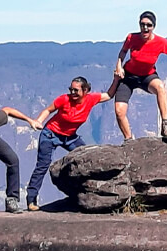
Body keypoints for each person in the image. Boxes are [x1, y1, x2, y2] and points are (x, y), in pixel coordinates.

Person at [26, 76, 119, 211]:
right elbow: (48, 110)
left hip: (70, 137)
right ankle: (31, 199)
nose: (72, 93)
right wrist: (38, 121)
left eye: (76, 90)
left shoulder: (91, 99)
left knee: (87, 158)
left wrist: (116, 79)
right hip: (50, 134)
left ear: (85, 90)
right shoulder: (64, 99)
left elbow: (109, 95)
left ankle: (92, 193)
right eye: (71, 90)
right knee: (43, 165)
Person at [114, 11, 167, 140]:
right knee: (119, 111)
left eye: (148, 25)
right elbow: (123, 52)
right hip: (128, 77)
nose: (145, 28)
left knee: (160, 87)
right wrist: (119, 66)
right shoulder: (131, 38)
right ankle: (128, 139)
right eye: (142, 24)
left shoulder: (160, 42)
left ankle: (166, 124)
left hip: (147, 76)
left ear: (153, 26)